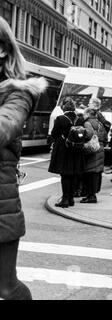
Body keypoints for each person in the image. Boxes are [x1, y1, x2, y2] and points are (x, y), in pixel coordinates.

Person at [0, 16, 47, 300]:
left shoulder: (19, 91)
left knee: (6, 287)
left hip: (1, 205)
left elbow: (5, 127)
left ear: (3, 49)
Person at [48, 97, 86, 207]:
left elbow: (54, 134)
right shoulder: (79, 119)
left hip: (64, 150)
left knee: (65, 175)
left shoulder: (60, 119)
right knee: (73, 174)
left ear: (64, 107)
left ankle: (65, 199)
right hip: (76, 150)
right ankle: (71, 199)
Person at [80, 107, 107, 203]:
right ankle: (92, 194)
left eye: (84, 114)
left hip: (91, 150)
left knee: (89, 173)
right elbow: (105, 136)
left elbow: (88, 135)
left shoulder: (87, 123)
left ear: (87, 114)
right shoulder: (100, 123)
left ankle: (91, 196)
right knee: (96, 173)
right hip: (100, 148)